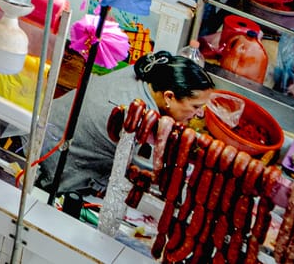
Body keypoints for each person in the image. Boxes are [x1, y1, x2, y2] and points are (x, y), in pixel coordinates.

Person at [45, 52, 216, 206]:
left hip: (47, 130)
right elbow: (154, 176)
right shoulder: (137, 119)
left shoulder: (145, 72)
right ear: (169, 97)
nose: (200, 114)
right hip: (50, 171)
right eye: (196, 107)